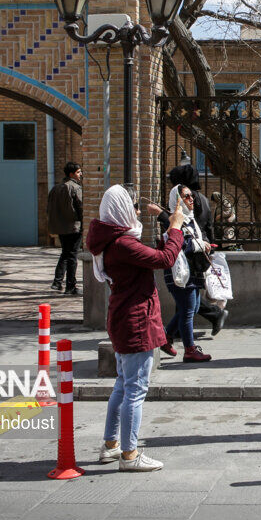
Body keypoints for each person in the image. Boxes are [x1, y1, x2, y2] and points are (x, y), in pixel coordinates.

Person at [86, 184, 186, 472]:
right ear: (121, 210)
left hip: (124, 318)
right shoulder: (122, 244)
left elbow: (150, 254)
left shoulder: (114, 240)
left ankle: (111, 445)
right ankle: (129, 454)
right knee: (135, 390)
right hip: (136, 320)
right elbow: (164, 259)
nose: (138, 211)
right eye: (134, 207)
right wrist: (175, 228)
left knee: (123, 384)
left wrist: (164, 225)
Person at [168, 163, 227, 336]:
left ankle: (172, 334)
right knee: (188, 295)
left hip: (192, 252)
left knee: (188, 295)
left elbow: (184, 223)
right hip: (201, 250)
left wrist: (162, 215)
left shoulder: (187, 197)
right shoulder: (202, 198)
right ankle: (179, 332)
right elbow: (210, 227)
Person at [157, 185, 214, 363]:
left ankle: (165, 337)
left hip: (193, 271)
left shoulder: (190, 219)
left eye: (191, 196)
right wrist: (200, 245)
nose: (192, 199)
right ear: (178, 200)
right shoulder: (176, 220)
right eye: (186, 196)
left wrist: (203, 242)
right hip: (181, 271)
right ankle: (189, 349)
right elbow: (178, 244)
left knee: (193, 307)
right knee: (188, 310)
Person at [46, 162, 83, 295]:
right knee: (72, 255)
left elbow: (49, 208)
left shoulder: (56, 188)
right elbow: (80, 207)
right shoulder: (74, 187)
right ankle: (70, 286)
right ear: (71, 174)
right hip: (73, 227)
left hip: (60, 227)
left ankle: (57, 282)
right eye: (79, 172)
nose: (81, 174)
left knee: (66, 253)